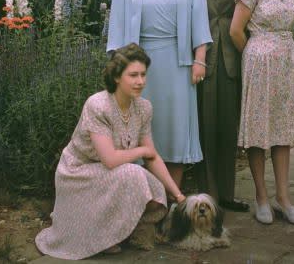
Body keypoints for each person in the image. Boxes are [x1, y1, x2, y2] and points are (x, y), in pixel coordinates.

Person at [35, 43, 186, 260]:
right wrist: (142, 149)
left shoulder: (143, 108)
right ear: (117, 77)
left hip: (112, 173)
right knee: (133, 175)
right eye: (133, 75)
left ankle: (126, 232)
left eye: (143, 74)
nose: (140, 81)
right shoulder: (98, 105)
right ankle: (105, 236)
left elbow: (151, 156)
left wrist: (178, 195)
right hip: (78, 173)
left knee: (155, 188)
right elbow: (111, 159)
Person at [107, 0, 212, 188]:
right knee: (140, 129)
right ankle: (143, 196)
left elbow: (200, 19)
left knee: (175, 131)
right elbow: (117, 27)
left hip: (178, 65)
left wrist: (199, 60)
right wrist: (123, 72)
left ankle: (170, 199)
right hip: (139, 67)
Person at [175, 0, 255, 212]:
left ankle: (227, 194)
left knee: (228, 125)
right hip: (199, 53)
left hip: (233, 53)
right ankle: (207, 196)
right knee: (204, 125)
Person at [229, 0, 294, 225]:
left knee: (283, 131)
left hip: (288, 61)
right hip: (260, 62)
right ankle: (261, 197)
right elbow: (236, 30)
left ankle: (284, 199)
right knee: (259, 131)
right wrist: (256, 53)